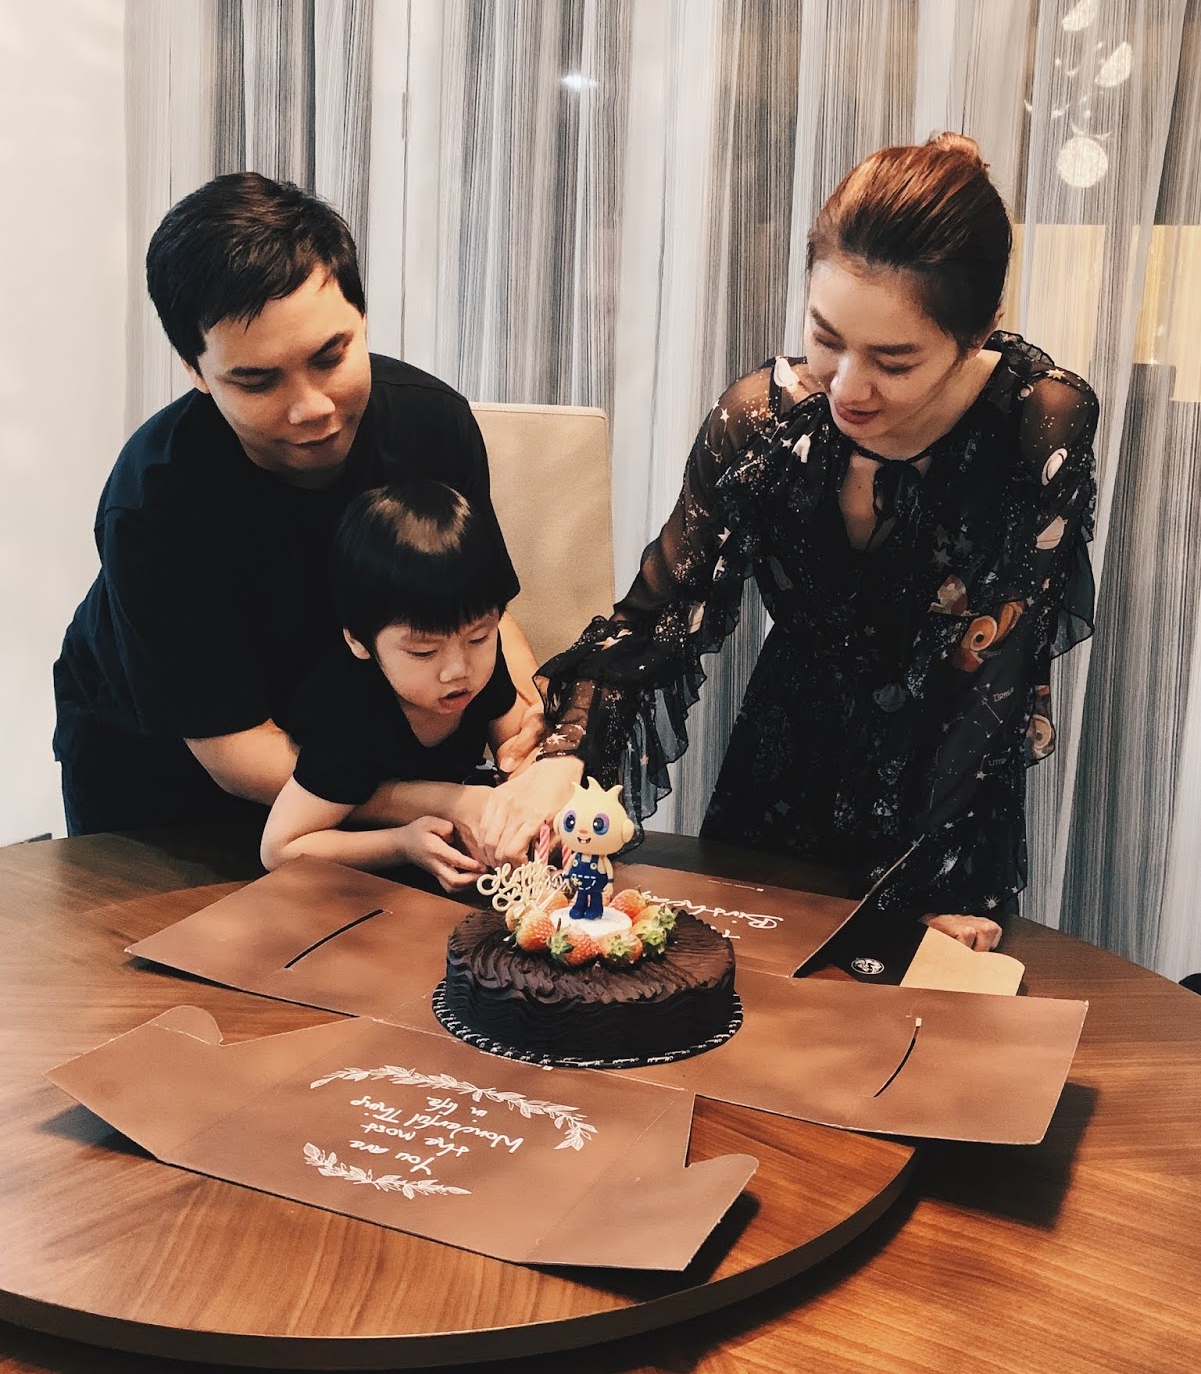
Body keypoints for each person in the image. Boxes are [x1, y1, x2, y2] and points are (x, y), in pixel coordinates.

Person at [480, 134, 1098, 951]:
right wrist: (566, 754)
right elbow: (658, 615)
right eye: (826, 336)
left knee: (915, 1016)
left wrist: (924, 886)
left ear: (980, 329)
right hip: (783, 761)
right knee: (747, 995)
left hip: (944, 788)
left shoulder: (1036, 425)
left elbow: (997, 671)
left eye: (893, 361)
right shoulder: (765, 424)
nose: (846, 386)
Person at [54, 172, 541, 847]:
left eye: (331, 357)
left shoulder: (433, 428)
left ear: (361, 320)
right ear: (195, 371)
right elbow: (235, 753)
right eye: (257, 382)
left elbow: (481, 610)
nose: (311, 408)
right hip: (167, 778)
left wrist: (528, 756)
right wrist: (444, 802)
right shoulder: (154, 500)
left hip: (362, 756)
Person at [261, 482, 527, 888]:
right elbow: (280, 847)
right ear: (359, 641)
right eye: (424, 652)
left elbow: (517, 749)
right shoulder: (350, 715)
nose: (457, 670)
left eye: (479, 637)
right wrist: (402, 844)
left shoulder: (480, 670)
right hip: (345, 879)